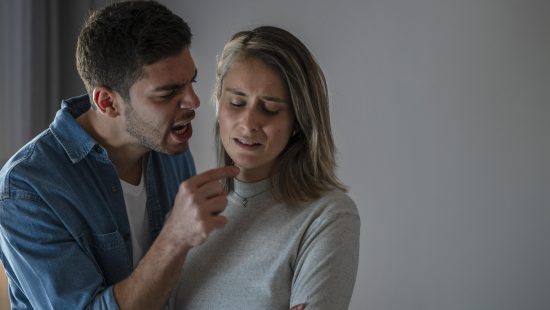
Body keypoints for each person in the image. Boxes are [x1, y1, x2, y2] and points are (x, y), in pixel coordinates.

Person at [0, 1, 239, 309]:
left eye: (190, 82)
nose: (193, 102)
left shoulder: (169, 146)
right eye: (168, 93)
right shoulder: (26, 190)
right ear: (107, 102)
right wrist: (175, 238)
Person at [170, 26, 361, 309]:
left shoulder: (327, 215)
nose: (248, 123)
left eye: (270, 108)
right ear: (218, 104)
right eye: (236, 102)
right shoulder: (189, 206)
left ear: (298, 121)